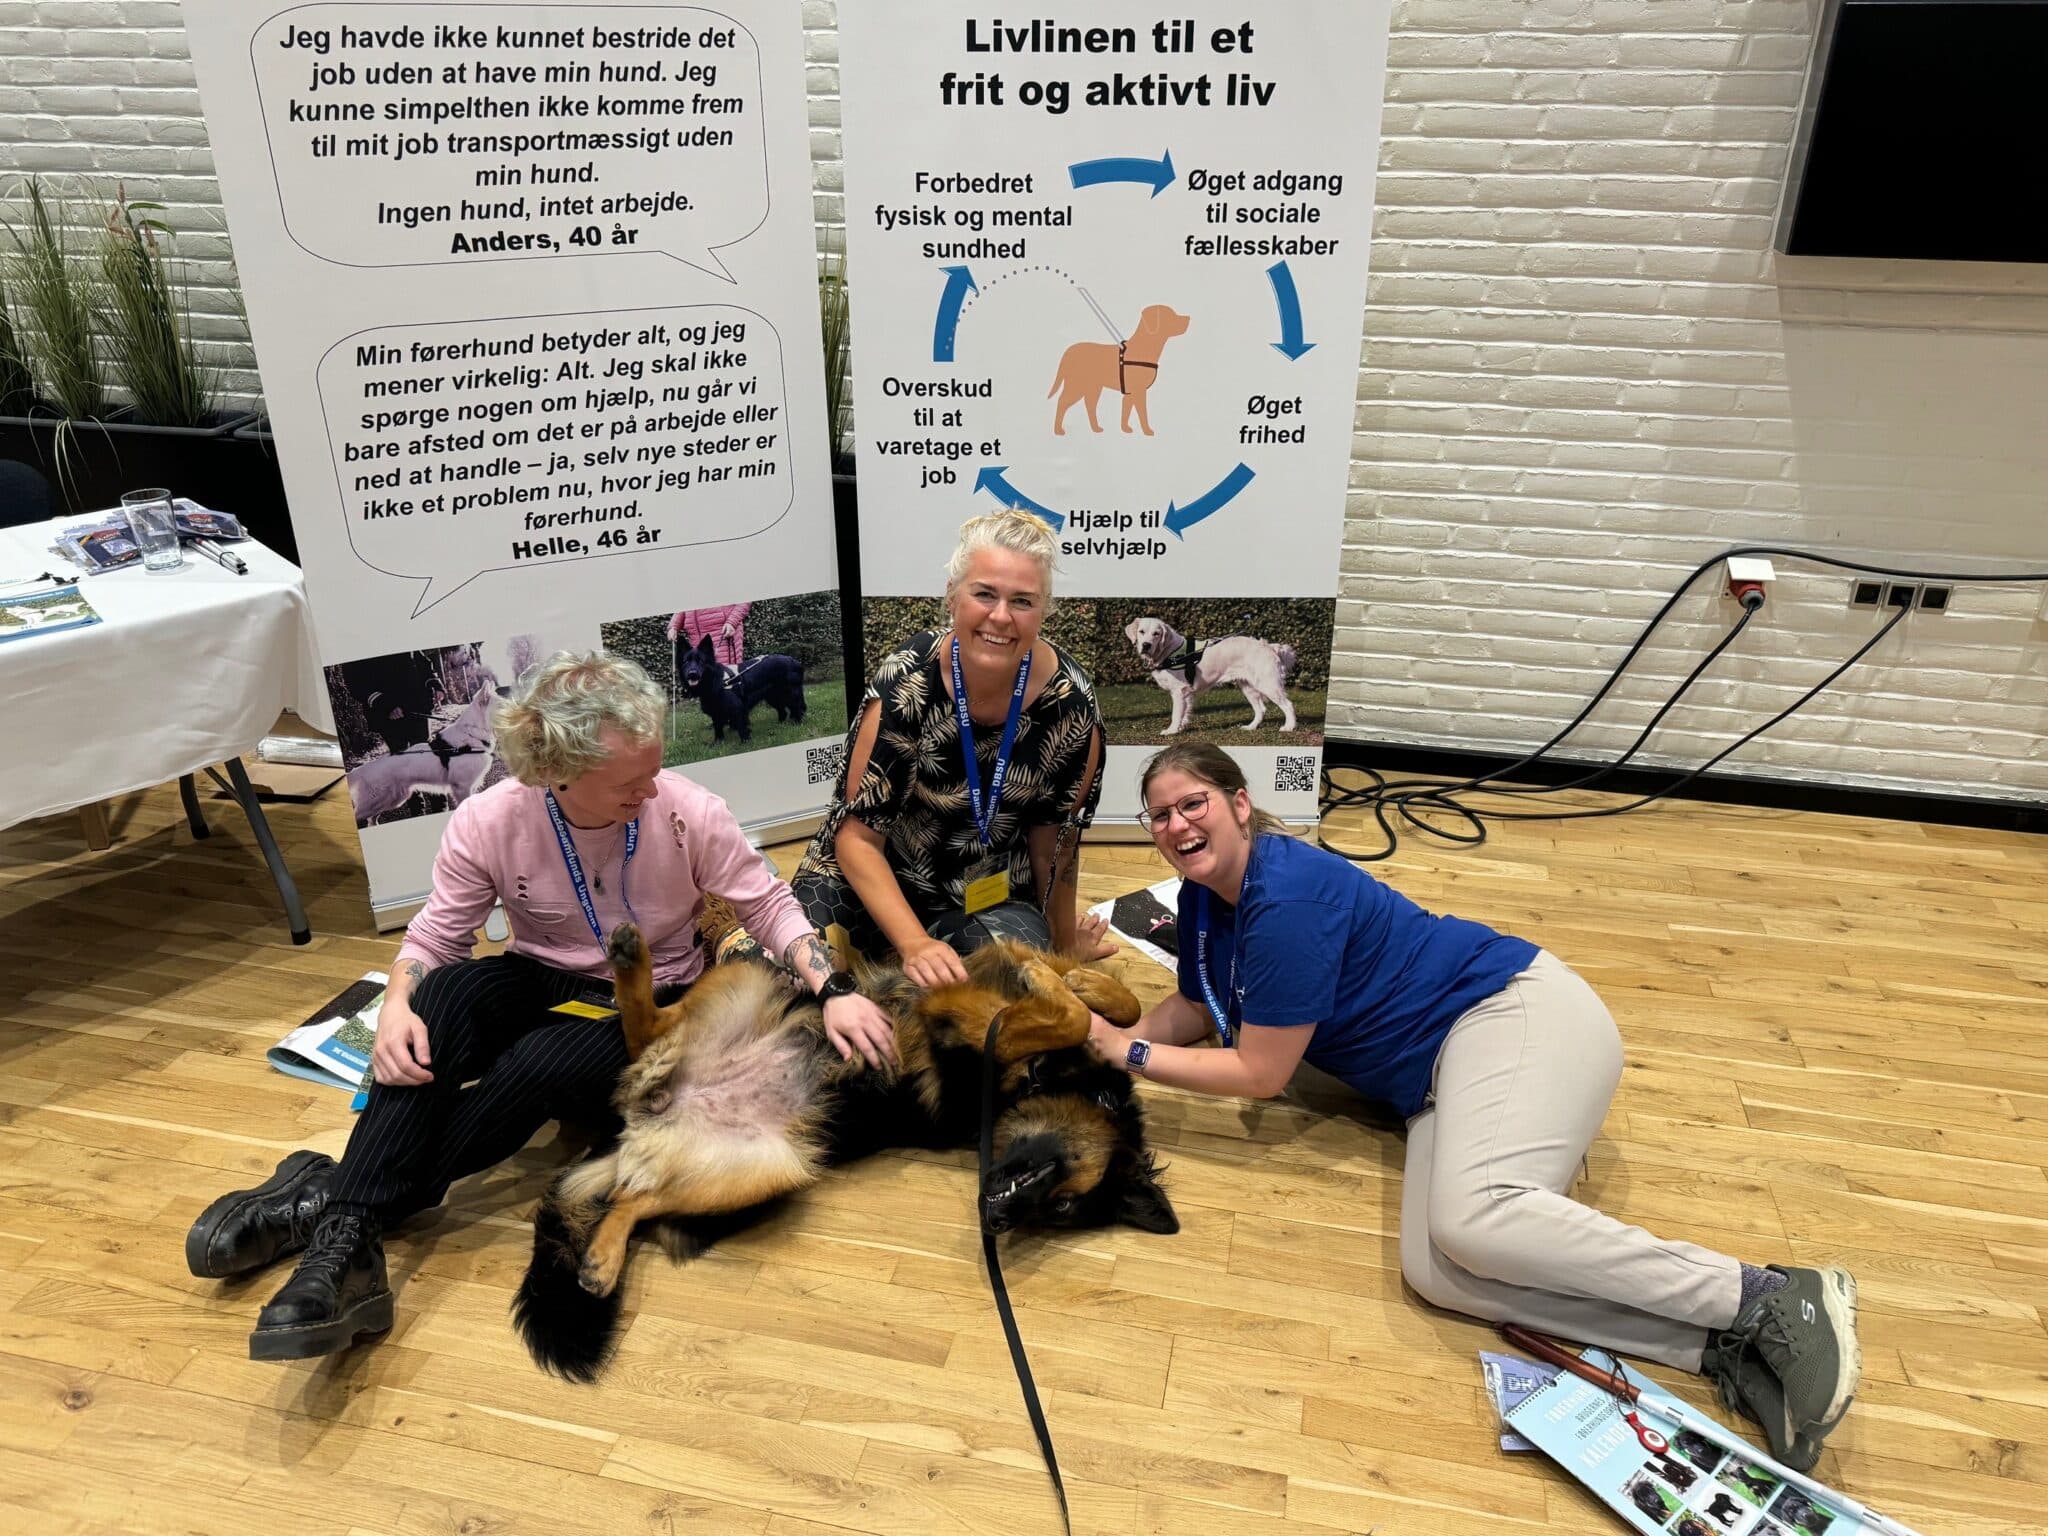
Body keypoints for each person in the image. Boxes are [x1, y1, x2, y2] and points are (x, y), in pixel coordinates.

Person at [1083, 742, 1863, 1472]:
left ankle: (1765, 1296)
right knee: (1439, 1275)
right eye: (1160, 814)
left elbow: (1260, 1072)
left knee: (1475, 1220)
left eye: (1193, 804)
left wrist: (1128, 1054)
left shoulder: (1285, 896)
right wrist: (1099, 1049)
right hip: (1437, 1076)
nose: (1177, 825)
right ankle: (1716, 1343)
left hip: (1511, 1012)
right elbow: (1197, 1004)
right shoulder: (1207, 898)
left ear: (1240, 804)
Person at [185, 651, 895, 1361]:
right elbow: (435, 937)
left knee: (540, 1063)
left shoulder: (688, 812)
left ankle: (327, 1208)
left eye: (654, 769)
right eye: (629, 780)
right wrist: (397, 1005)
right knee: (441, 996)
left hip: (646, 999)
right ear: (556, 769)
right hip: (540, 975)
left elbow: (768, 905)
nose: (651, 788)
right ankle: (346, 1229)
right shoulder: (491, 820)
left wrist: (832, 990)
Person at [792, 509, 1113, 987]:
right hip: (874, 878)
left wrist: (1064, 950)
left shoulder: (1072, 707)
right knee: (786, 971)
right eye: (984, 593)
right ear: (952, 596)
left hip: (988, 893)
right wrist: (913, 943)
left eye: (1022, 601)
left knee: (1017, 990)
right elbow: (857, 840)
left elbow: (1056, 848)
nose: (1000, 616)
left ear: (1044, 610)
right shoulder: (905, 683)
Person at [667, 601, 752, 670]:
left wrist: (732, 622)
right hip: (696, 641)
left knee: (725, 677)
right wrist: (674, 626)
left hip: (722, 634)